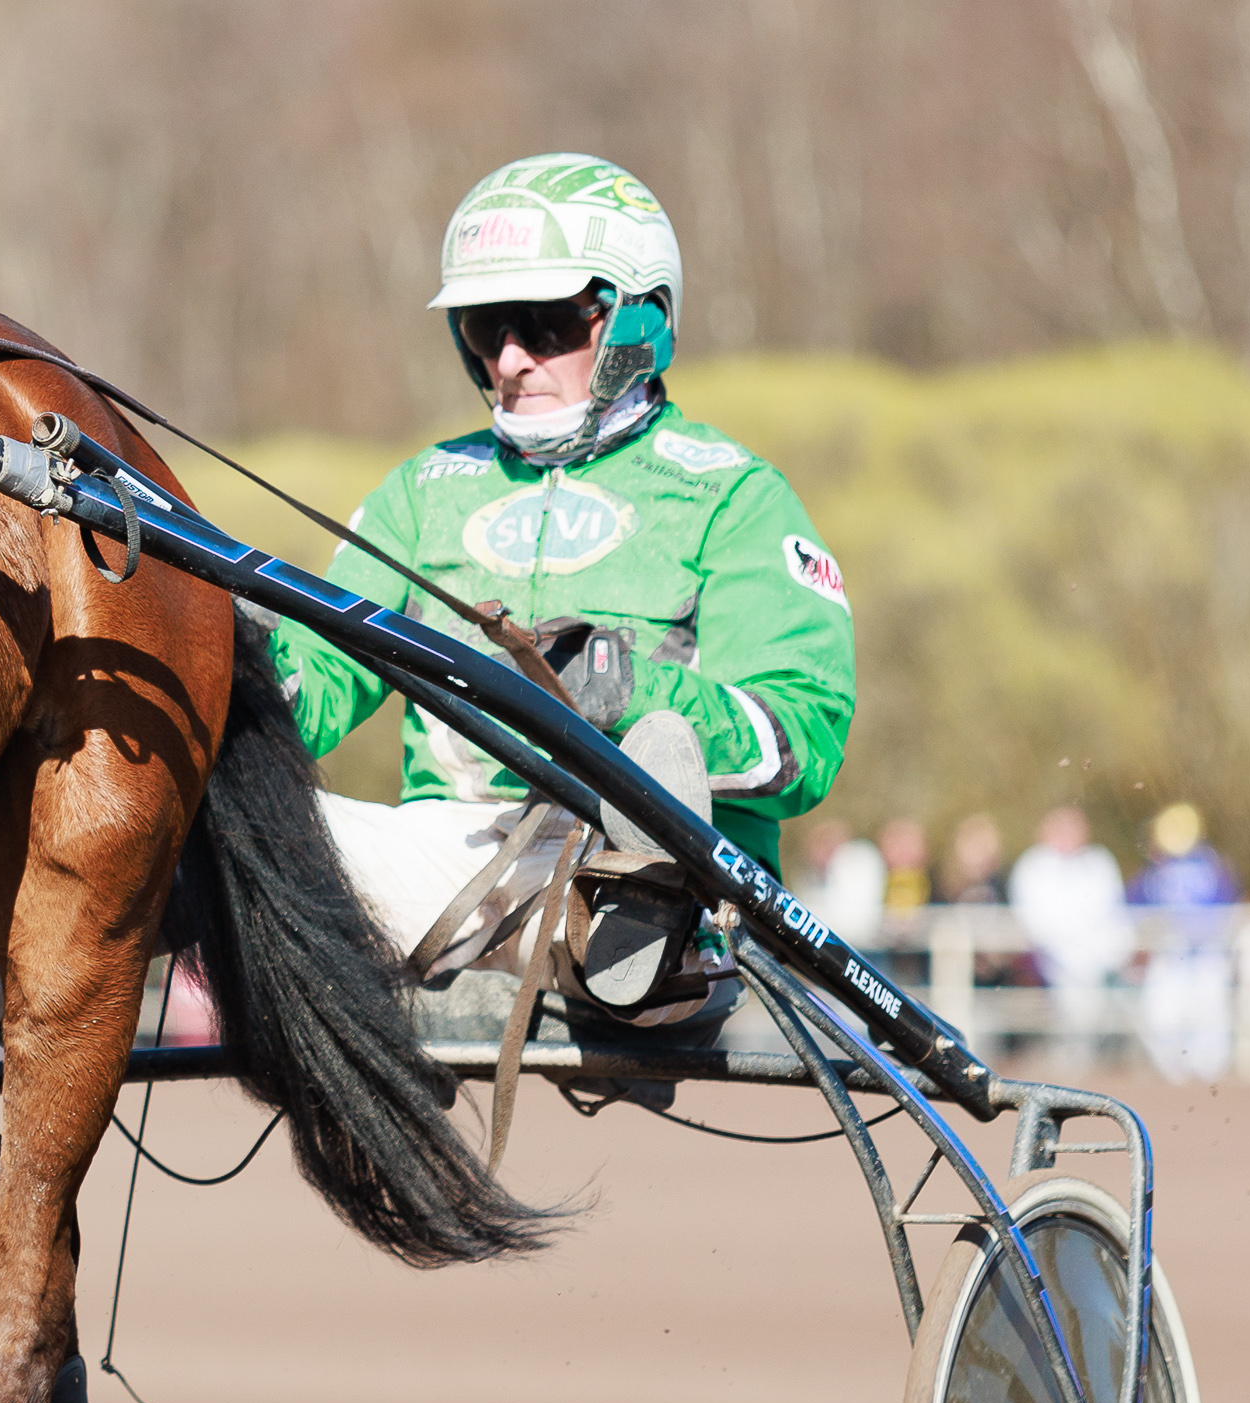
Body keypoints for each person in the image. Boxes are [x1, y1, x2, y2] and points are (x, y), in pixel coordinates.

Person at [259, 153, 855, 1015]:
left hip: (651, 864)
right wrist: (223, 651)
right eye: (483, 324)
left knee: (642, 839)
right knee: (187, 835)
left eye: (542, 323)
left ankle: (634, 920)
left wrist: (632, 693)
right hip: (450, 856)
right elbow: (309, 690)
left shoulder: (735, 495)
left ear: (638, 321)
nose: (507, 358)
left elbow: (802, 739)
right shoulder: (418, 492)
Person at [1128, 801, 1239, 1083]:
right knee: (1163, 1013)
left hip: (1206, 950)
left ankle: (1207, 1074)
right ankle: (1175, 1073)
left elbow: (1227, 905)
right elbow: (1136, 905)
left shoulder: (1210, 864)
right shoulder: (1157, 867)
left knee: (1210, 1010)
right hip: (1170, 951)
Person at [1008, 804, 1129, 1051]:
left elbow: (1112, 914)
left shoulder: (1098, 862)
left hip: (1100, 960)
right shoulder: (1032, 866)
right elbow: (1034, 923)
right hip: (1053, 963)